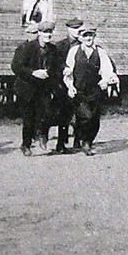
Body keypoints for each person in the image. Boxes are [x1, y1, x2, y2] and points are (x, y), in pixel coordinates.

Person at [63, 24, 119, 155]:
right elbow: (68, 71)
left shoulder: (100, 52)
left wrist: (105, 80)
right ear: (80, 37)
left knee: (94, 119)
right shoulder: (74, 51)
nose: (88, 38)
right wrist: (70, 86)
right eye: (85, 35)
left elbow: (107, 69)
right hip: (79, 90)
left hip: (95, 90)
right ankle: (85, 142)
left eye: (90, 35)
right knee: (86, 116)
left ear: (94, 36)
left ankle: (88, 139)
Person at [11, 21, 57, 157]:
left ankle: (42, 136)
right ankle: (25, 144)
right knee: (28, 118)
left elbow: (56, 66)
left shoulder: (53, 50)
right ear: (39, 33)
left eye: (50, 32)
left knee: (47, 113)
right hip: (26, 89)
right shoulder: (27, 47)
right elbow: (16, 67)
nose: (48, 35)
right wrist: (33, 72)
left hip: (43, 88)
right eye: (45, 32)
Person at [51, 17, 84, 153]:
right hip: (63, 85)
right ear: (68, 29)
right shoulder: (59, 46)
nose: (77, 32)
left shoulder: (84, 45)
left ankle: (78, 140)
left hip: (80, 84)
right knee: (64, 115)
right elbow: (55, 65)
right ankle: (61, 143)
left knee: (80, 113)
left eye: (79, 29)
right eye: (74, 29)